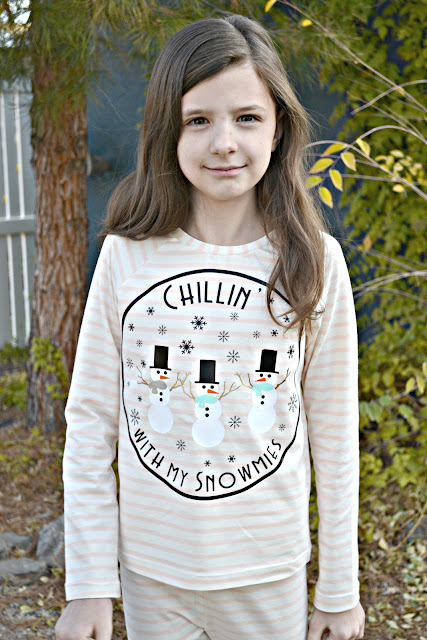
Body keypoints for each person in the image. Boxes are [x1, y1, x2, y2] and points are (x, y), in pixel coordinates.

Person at [55, 13, 365, 640]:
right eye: (198, 120)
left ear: (279, 128)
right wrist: (89, 584)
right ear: (167, 132)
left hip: (268, 574)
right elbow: (89, 425)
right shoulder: (126, 257)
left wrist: (339, 589)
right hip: (152, 575)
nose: (224, 142)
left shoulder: (314, 261)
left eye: (247, 117)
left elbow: (335, 439)